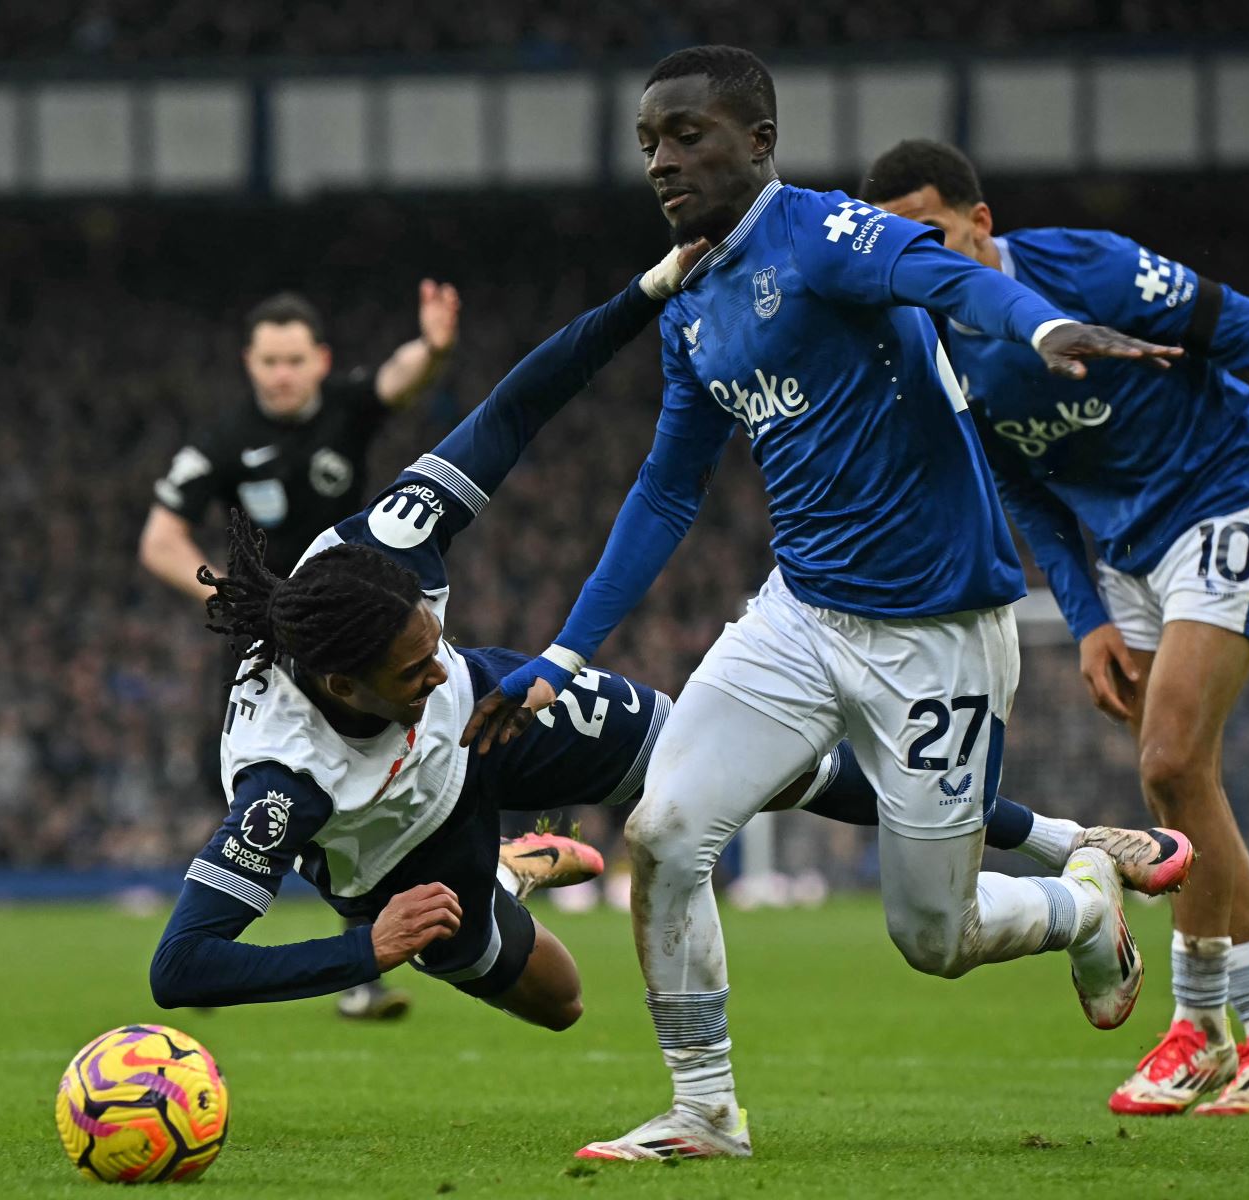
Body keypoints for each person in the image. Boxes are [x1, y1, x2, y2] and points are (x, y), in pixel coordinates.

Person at [461, 46, 1184, 1161]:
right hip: (799, 617)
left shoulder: (828, 235)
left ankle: (1084, 904)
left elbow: (948, 276)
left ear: (759, 141)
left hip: (941, 632)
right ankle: (705, 1111)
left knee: (931, 938)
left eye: (689, 134)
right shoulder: (689, 298)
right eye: (649, 141)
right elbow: (666, 486)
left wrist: (1037, 326)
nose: (663, 160)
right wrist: (564, 652)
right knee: (665, 827)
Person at [147, 244, 897, 1026]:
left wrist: (646, 289)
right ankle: (504, 873)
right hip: (404, 850)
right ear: (344, 689)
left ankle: (989, 819)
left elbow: (518, 405)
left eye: (429, 645)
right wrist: (368, 950)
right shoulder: (284, 784)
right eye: (413, 671)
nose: (433, 671)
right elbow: (182, 967)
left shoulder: (396, 540)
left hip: (492, 716)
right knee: (560, 1001)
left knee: (724, 759)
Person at [859, 138, 1249, 1116]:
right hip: (1128, 560)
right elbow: (1023, 485)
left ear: (979, 224)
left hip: (1229, 504)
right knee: (1182, 782)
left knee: (1168, 762)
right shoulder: (941, 343)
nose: (922, 264)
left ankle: (1200, 1029)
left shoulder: (1084, 269)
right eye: (899, 252)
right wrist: (1085, 618)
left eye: (933, 236)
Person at [141, 282, 460, 1020]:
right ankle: (210, 944)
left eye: (294, 359)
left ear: (319, 361)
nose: (281, 374)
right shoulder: (222, 442)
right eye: (268, 361)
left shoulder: (344, 407)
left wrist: (436, 350)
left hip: (357, 642)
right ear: (249, 364)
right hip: (265, 651)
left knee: (366, 788)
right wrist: (234, 602)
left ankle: (351, 968)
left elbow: (397, 378)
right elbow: (158, 541)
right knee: (274, 800)